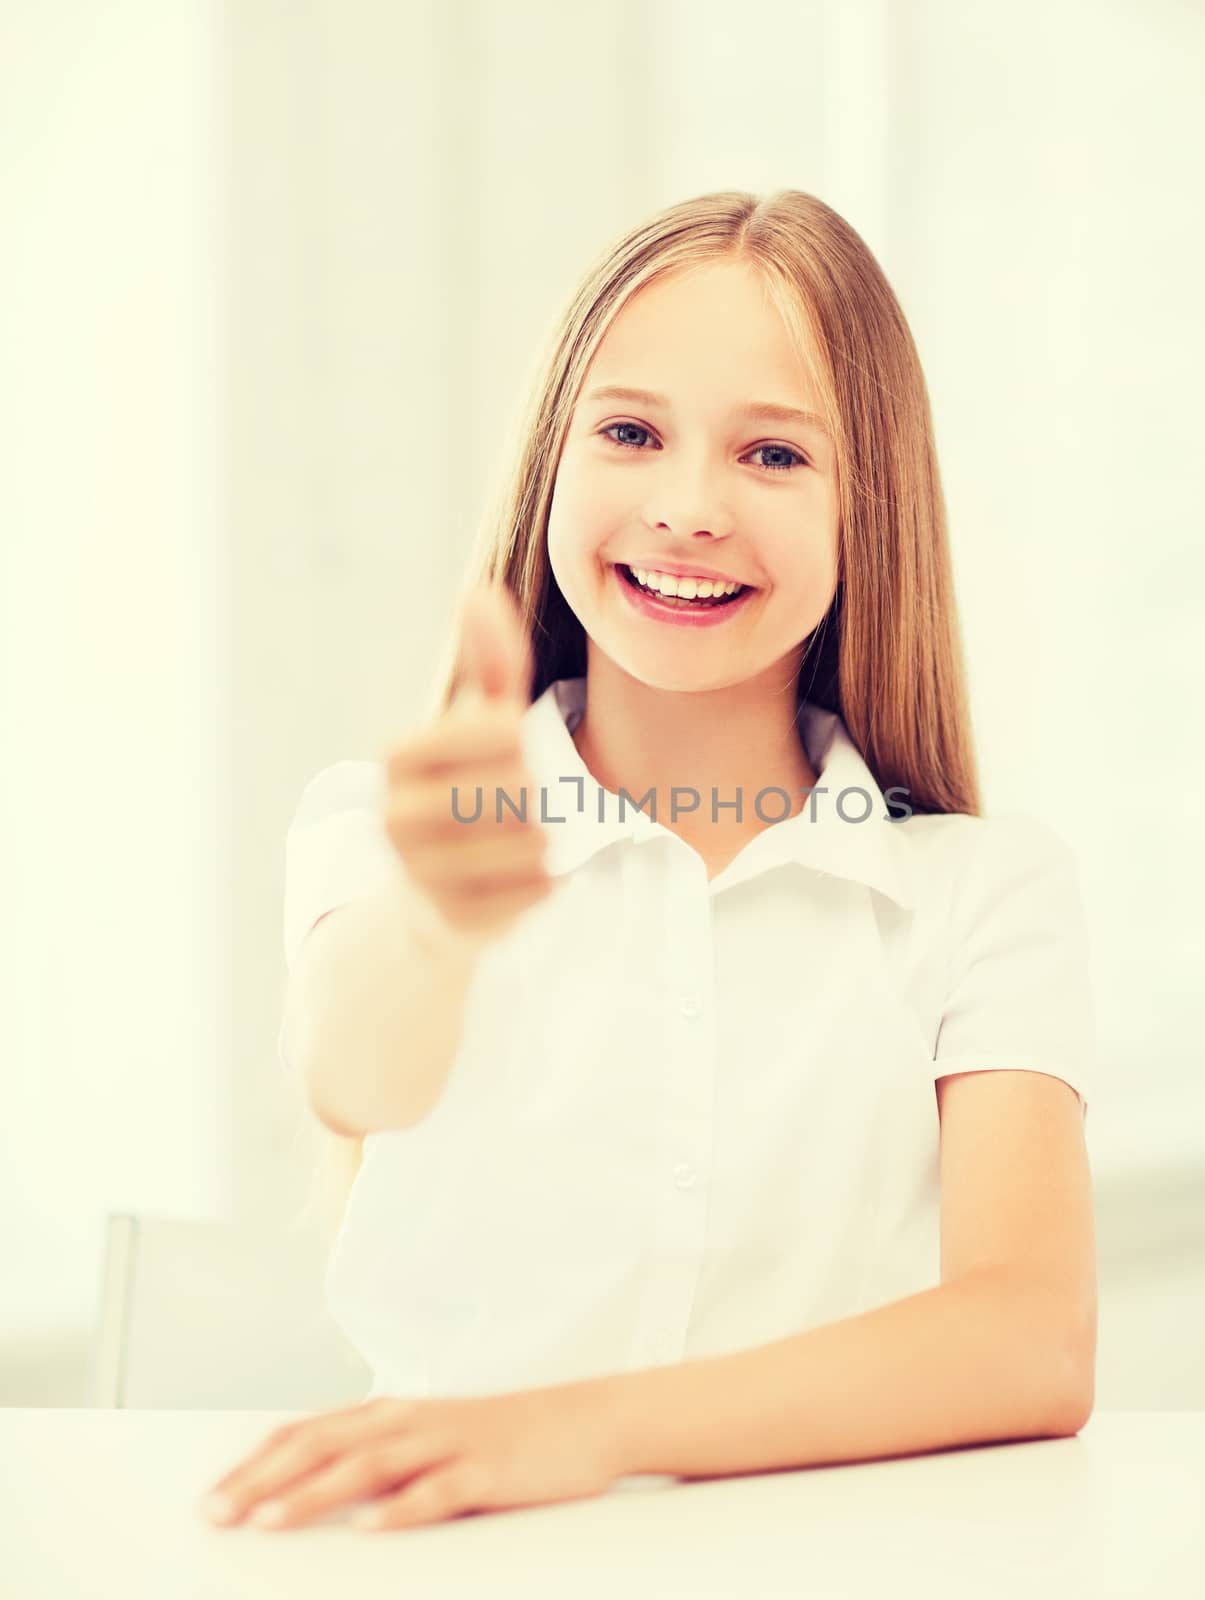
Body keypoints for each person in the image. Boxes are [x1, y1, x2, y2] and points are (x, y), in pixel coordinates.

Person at [205, 188, 1098, 1534]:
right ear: (551, 465)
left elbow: (1032, 1340)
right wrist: (441, 918)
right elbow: (352, 1073)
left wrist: (578, 1431)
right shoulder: (380, 821)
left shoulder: (984, 889)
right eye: (630, 432)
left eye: (775, 456)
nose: (688, 507)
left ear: (875, 509)